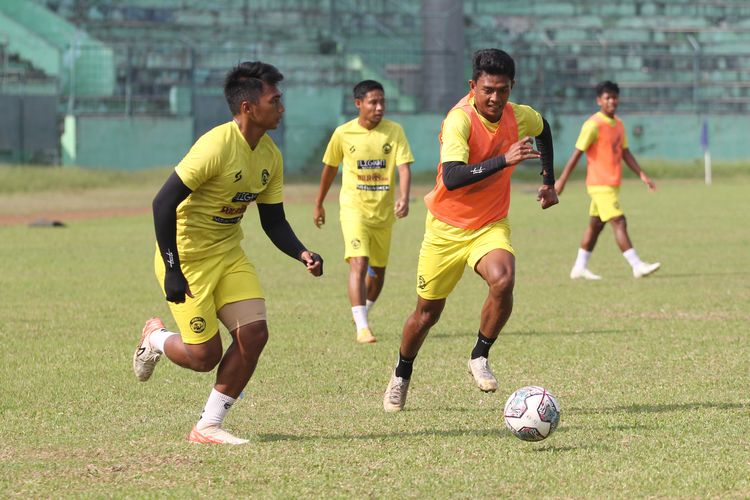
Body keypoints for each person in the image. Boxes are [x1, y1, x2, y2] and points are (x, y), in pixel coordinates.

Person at [132, 61, 323, 445]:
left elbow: (274, 221)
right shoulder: (216, 146)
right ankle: (155, 339)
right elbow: (162, 203)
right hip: (187, 258)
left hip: (228, 253)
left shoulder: (270, 156)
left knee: (254, 334)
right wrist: (172, 269)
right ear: (248, 107)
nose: (282, 107)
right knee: (203, 358)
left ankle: (207, 426)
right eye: (275, 99)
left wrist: (302, 252)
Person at [383, 48, 558, 412]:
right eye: (488, 90)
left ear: (512, 87)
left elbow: (545, 130)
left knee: (504, 278)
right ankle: (401, 374)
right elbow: (453, 176)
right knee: (426, 314)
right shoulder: (459, 120)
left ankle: (480, 354)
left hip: (490, 224)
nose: (495, 98)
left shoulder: (519, 115)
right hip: (446, 229)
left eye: (503, 90)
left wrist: (548, 181)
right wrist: (503, 160)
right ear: (473, 86)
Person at [313, 80, 414, 344]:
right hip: (353, 209)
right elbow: (330, 168)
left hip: (383, 213)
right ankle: (362, 327)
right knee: (359, 262)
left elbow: (403, 167)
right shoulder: (343, 134)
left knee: (378, 273)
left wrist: (404, 196)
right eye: (373, 102)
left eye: (382, 102)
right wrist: (319, 202)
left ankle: (363, 313)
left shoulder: (395, 132)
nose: (379, 107)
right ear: (358, 104)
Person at [555, 80, 660, 280]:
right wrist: (562, 180)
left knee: (596, 225)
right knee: (619, 221)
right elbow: (577, 153)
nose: (612, 101)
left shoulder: (619, 124)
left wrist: (642, 174)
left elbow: (625, 152)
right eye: (607, 97)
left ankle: (579, 267)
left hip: (612, 184)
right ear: (599, 100)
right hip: (599, 184)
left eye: (615, 97)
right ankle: (637, 265)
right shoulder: (593, 125)